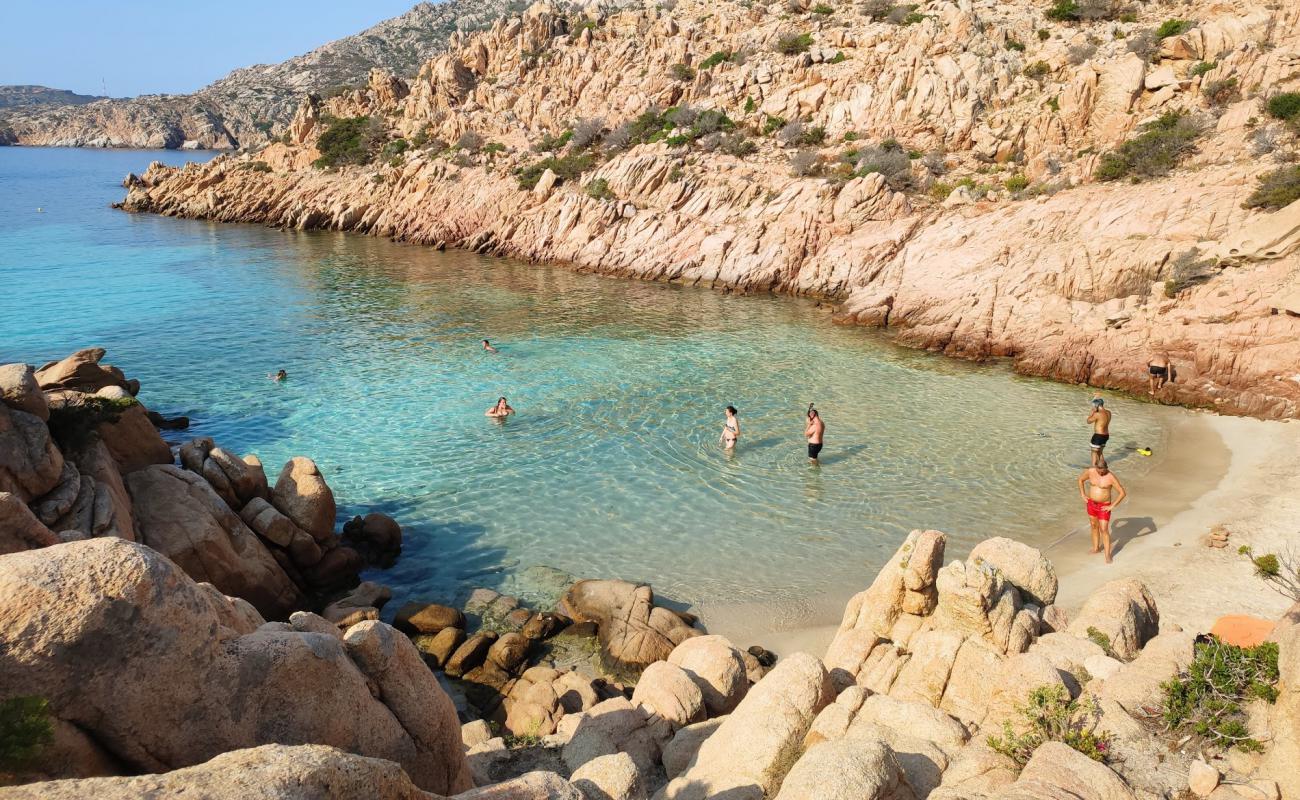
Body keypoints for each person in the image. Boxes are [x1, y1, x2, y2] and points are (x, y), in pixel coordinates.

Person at [1078, 460, 1127, 564]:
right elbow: (1081, 480)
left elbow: (1122, 493)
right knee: (1093, 525)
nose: (1101, 473)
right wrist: (1082, 494)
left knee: (1104, 529)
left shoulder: (1110, 477)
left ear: (1106, 468)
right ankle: (1096, 548)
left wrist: (1112, 506)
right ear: (1096, 467)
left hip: (1104, 506)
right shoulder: (1091, 471)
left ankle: (1108, 555)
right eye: (1099, 471)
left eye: (1103, 472)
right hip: (1091, 504)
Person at [1087, 396, 1111, 467]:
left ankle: (1093, 468)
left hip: (1098, 436)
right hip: (1106, 435)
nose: (1093, 407)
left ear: (1096, 405)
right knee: (1100, 452)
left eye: (1094, 406)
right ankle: (1103, 467)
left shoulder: (1097, 414)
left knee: (1094, 452)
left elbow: (1088, 421)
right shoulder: (1109, 412)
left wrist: (1091, 413)